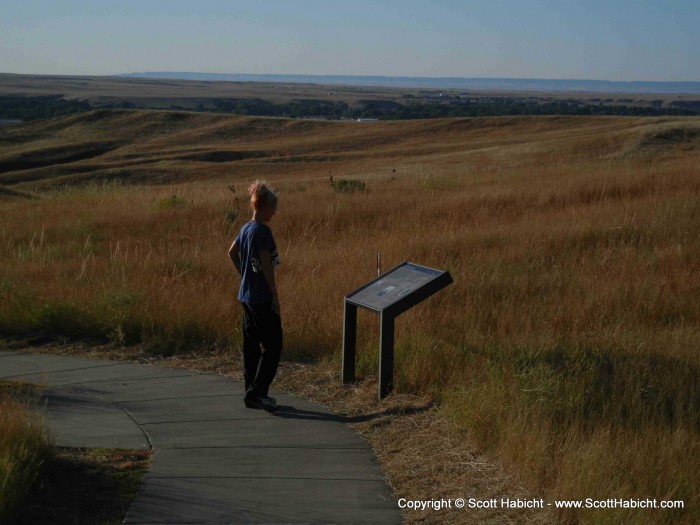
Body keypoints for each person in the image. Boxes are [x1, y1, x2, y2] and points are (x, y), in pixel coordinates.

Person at [228, 181, 282, 412]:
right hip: (261, 297)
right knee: (273, 345)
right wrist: (274, 295)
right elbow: (268, 266)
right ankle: (258, 393)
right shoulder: (262, 232)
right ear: (264, 206)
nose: (274, 213)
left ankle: (251, 393)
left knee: (251, 346)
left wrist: (245, 275)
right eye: (273, 208)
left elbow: (232, 252)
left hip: (246, 295)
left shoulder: (245, 228)